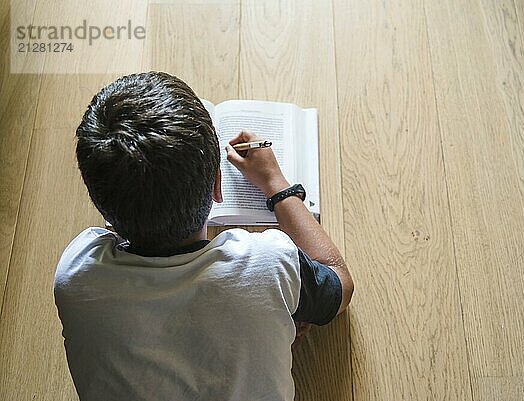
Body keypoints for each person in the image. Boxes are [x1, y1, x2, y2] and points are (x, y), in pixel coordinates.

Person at [53, 71, 353, 401]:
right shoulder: (270, 265)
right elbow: (340, 283)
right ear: (217, 184)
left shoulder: (75, 274)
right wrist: (276, 184)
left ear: (100, 204)